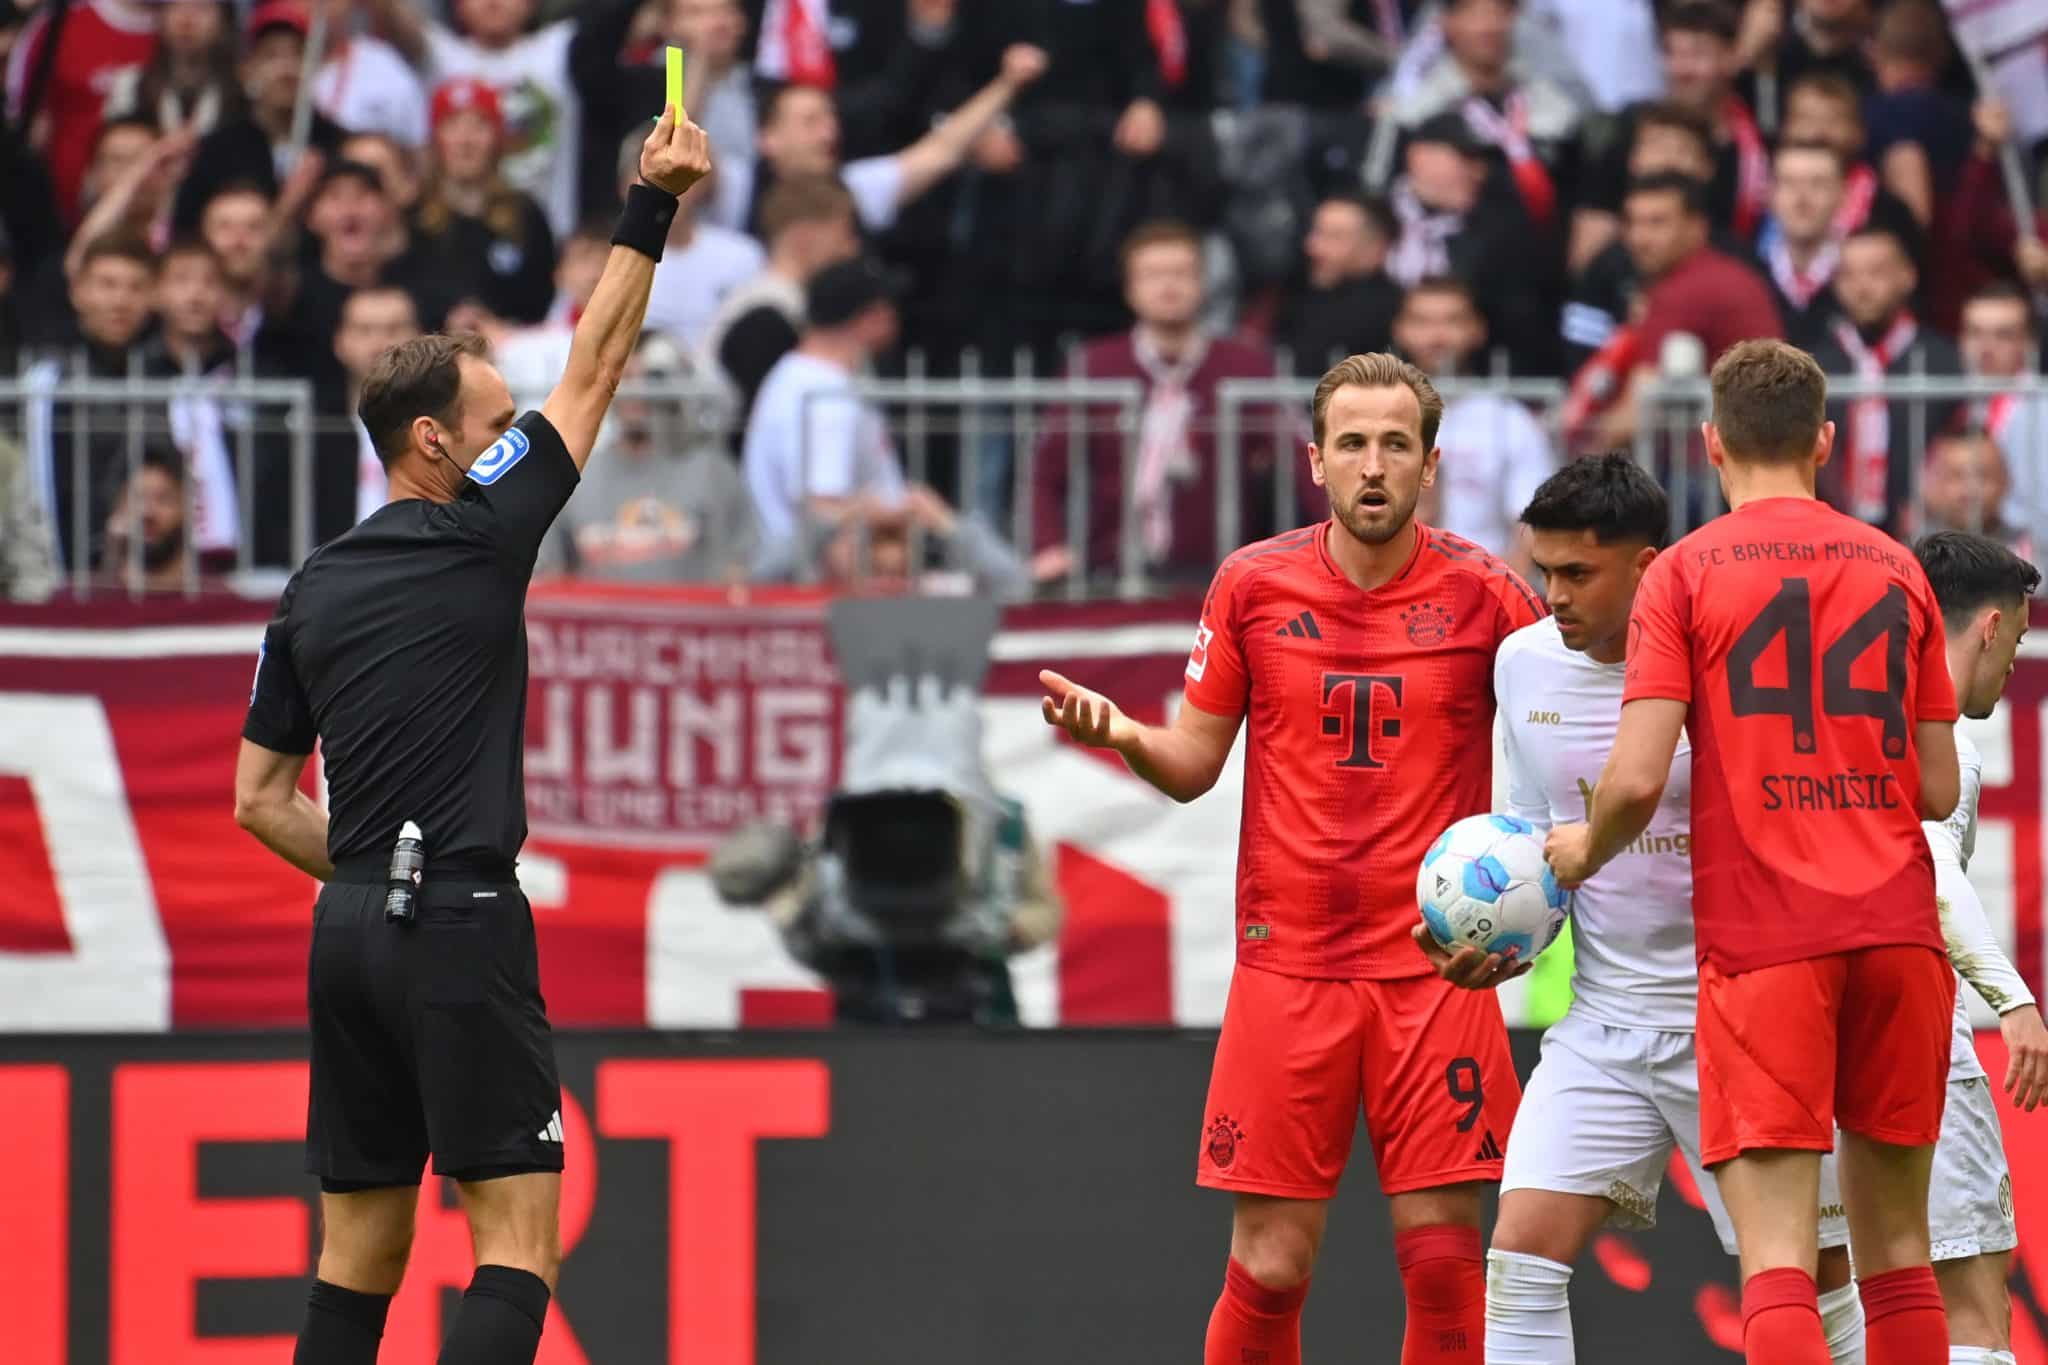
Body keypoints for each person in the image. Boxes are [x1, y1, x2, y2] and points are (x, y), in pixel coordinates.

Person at [233, 102, 710, 1365]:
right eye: (497, 428)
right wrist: (650, 202)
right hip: (459, 918)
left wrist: (360, 879)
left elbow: (257, 798)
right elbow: (596, 369)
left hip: (346, 939)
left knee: (357, 1264)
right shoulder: (480, 525)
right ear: (434, 444)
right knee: (514, 1242)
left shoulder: (311, 588)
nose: (518, 442)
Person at [1041, 351, 1547, 1365]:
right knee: (1269, 1265)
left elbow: (1562, 737)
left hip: (1434, 972)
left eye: (1394, 445)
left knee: (1446, 1269)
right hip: (1288, 968)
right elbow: (1192, 764)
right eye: (1351, 443)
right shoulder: (1252, 584)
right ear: (1314, 461)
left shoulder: (1489, 595)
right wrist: (1127, 737)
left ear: (1429, 463)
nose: (1372, 465)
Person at [1544, 338, 1963, 1365]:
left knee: (1775, 1259)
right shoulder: (1896, 567)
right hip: (1898, 933)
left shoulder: (1683, 572)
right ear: (1821, 440)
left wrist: (1576, 851)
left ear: (1711, 443)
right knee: (1897, 1254)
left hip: (1768, 939)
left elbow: (1637, 779)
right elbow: (1937, 789)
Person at [1431, 453, 1862, 1364]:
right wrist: (1500, 941)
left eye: (1578, 573)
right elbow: (1528, 843)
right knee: (1517, 1264)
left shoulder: (1732, 661)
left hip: (1741, 1022)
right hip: (1605, 1023)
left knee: (1812, 1285)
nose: (1553, 595)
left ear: (1652, 565)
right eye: (1542, 570)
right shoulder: (1522, 664)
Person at [1914, 530, 2048, 1365]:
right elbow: (1930, 870)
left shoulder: (1852, 719)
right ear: (1990, 627)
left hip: (1813, 1043)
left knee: (1862, 1303)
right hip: (1920, 1049)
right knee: (1972, 1309)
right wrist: (2017, 999)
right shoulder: (1943, 741)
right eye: (2021, 640)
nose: (2013, 666)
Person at [1029, 219, 1293, 589]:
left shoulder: (1245, 365)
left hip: (1221, 571)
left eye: (1181, 273)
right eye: (1152, 275)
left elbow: (1299, 461)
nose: (1168, 286)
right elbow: (1046, 470)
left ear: (1202, 285)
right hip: (1111, 568)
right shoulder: (1094, 365)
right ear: (1130, 289)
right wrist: (1048, 546)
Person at [722, 46, 1046, 239]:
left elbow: (941, 150)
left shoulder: (855, 189)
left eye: (830, 120)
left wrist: (1007, 84)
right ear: (767, 139)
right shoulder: (734, 189)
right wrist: (680, 53)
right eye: (810, 122)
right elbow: (672, 138)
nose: (828, 134)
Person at [1581, 172, 1782, 449]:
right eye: (1633, 222)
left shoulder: (1685, 291)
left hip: (1713, 468)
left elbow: (1638, 409)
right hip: (1755, 454)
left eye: (1657, 223)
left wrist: (1576, 458)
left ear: (1696, 227)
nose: (1640, 237)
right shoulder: (1725, 274)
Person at [541, 332, 756, 584]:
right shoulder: (575, 476)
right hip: (605, 619)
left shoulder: (711, 471)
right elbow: (551, 576)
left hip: (689, 616)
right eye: (627, 379)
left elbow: (741, 568)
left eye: (652, 379)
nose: (639, 393)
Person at [742, 257, 914, 565]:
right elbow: (825, 515)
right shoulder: (827, 397)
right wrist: (901, 511)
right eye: (886, 307)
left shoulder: (799, 374)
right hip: (823, 583)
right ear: (868, 317)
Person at [1392, 276, 1553, 570]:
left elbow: (1532, 528)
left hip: (1486, 584)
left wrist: (1498, 595)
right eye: (1421, 322)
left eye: (1452, 321)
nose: (1436, 336)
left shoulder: (1510, 421)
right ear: (1400, 330)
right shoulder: (1379, 415)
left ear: (1477, 330)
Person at [1810, 224, 1962, 534]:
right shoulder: (1814, 365)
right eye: (1849, 275)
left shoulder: (1945, 360)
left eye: (1876, 272)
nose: (1862, 286)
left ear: (1908, 276)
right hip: (1833, 531)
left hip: (1923, 531)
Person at [1393, 0, 1583, 237]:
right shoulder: (1418, 110)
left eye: (1499, 12)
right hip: (1452, 251)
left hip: (1543, 245)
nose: (1489, 26)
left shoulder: (1547, 101)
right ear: (1446, 23)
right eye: (1473, 14)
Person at [172, 3, 349, 233]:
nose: (287, 68)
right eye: (271, 55)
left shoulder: (338, 144)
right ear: (247, 70)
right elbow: (187, 230)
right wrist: (287, 205)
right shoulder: (217, 151)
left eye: (299, 54)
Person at [702, 173, 858, 416]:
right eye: (843, 234)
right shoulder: (767, 310)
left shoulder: (771, 299)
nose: (851, 249)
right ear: (803, 238)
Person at [412, 77, 558, 326]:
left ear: (497, 138)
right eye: (452, 125)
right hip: (427, 355)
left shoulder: (526, 214)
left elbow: (543, 297)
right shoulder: (412, 215)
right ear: (436, 138)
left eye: (479, 126)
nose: (465, 141)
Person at [1957, 283, 2048, 562]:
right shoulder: (1963, 402)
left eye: (2003, 335)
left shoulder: (2041, 410)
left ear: (2030, 344)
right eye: (1975, 333)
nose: (1985, 348)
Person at [1272, 193, 1403, 377]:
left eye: (1334, 237)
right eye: (1316, 232)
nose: (1312, 247)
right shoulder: (1292, 300)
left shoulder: (1399, 314)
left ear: (1375, 247)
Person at [1755, 141, 1851, 351]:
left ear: (1843, 194)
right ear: (1769, 194)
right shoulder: (1746, 273)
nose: (1802, 198)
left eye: (1817, 184)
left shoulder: (1863, 275)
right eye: (1789, 183)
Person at [1919, 432, 2029, 555]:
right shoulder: (1915, 553)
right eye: (1956, 476)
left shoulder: (2031, 551)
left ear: (2005, 480)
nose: (1970, 491)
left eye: (1982, 476)